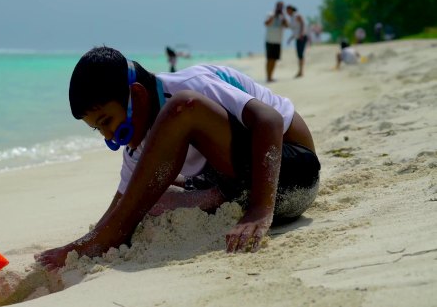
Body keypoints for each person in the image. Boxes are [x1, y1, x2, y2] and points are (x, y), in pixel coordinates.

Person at [35, 46, 320, 270]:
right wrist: (85, 244)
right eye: (99, 130)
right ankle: (213, 195)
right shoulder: (137, 147)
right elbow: (124, 205)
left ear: (137, 95)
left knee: (184, 107)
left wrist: (260, 209)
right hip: (239, 186)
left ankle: (219, 196)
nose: (109, 135)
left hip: (290, 171)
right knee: (147, 196)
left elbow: (269, 120)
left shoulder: (189, 86)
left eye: (107, 121)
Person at [264, 1, 289, 82]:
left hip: (278, 41)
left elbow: (287, 26)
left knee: (274, 59)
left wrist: (283, 17)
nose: (280, 8)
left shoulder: (283, 17)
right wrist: (274, 15)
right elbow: (266, 23)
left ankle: (271, 76)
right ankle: (268, 76)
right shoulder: (270, 14)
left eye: (281, 7)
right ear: (276, 7)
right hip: (270, 40)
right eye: (279, 6)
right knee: (269, 59)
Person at [286, 5, 307, 78]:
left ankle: (301, 71)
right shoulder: (291, 18)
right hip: (297, 37)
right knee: (299, 54)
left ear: (291, 9)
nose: (287, 12)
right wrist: (290, 38)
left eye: (288, 10)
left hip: (302, 37)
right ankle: (300, 71)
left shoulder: (297, 15)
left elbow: (302, 24)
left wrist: (301, 34)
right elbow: (295, 30)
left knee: (300, 54)